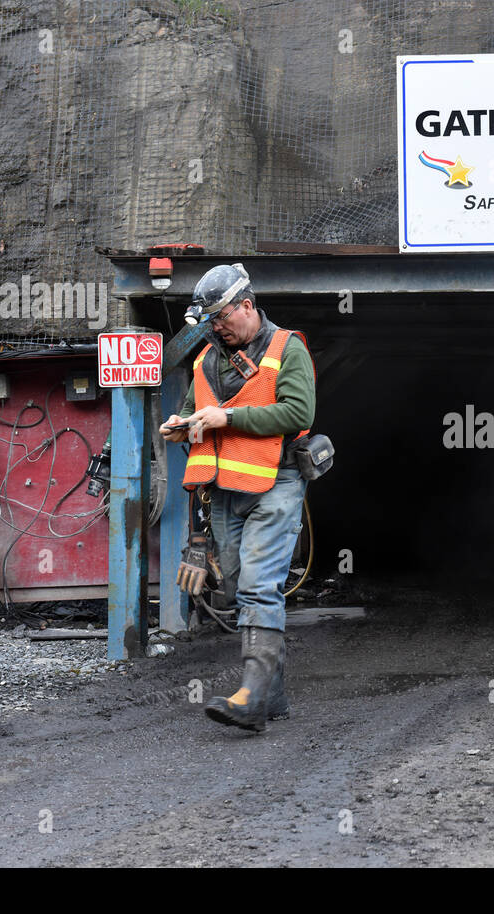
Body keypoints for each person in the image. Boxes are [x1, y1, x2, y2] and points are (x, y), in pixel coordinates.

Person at [159, 263, 315, 732]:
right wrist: (178, 428)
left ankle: (249, 699)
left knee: (257, 587)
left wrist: (227, 419)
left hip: (278, 481)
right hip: (226, 491)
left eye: (222, 317)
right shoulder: (206, 358)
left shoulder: (287, 348)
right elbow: (191, 411)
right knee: (235, 590)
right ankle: (274, 697)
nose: (218, 327)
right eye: (211, 321)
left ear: (247, 305)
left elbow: (297, 411)